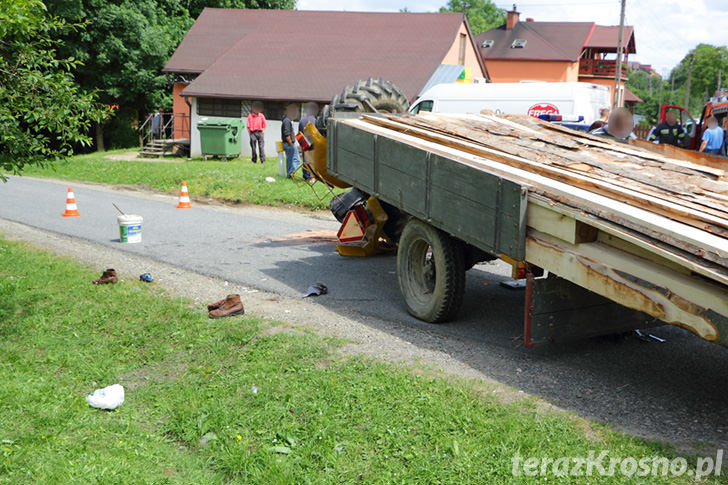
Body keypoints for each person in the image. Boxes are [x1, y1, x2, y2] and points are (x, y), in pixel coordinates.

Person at [297, 102, 318, 180]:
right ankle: (311, 175)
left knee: (305, 159)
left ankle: (305, 176)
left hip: (303, 140)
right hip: (312, 141)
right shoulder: (314, 120)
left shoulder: (302, 119)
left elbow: (299, 132)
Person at [281, 103, 301, 177]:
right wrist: (291, 143)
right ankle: (291, 173)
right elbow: (286, 134)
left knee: (289, 159)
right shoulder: (287, 121)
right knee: (297, 159)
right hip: (289, 143)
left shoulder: (286, 120)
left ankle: (289, 174)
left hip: (287, 143)